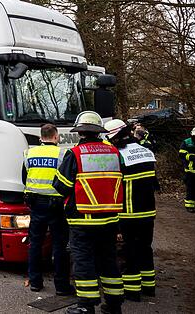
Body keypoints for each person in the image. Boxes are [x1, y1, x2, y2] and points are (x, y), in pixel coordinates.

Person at [53, 111, 124, 314]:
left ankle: (85, 306)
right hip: (109, 219)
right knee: (109, 260)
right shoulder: (114, 152)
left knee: (84, 262)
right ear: (99, 132)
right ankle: (114, 304)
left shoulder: (75, 154)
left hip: (82, 220)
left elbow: (62, 185)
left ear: (80, 132)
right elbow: (122, 179)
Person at [105, 119, 158, 301]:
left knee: (129, 251)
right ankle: (149, 286)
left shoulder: (119, 156)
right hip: (148, 211)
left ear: (115, 138)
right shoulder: (145, 151)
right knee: (145, 248)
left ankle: (132, 291)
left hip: (129, 213)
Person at [21, 123, 71, 295]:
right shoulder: (63, 154)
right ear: (56, 137)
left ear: (41, 137)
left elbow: (24, 178)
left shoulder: (29, 153)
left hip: (35, 204)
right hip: (57, 206)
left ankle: (35, 282)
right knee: (59, 245)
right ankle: (62, 286)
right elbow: (67, 181)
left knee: (35, 244)